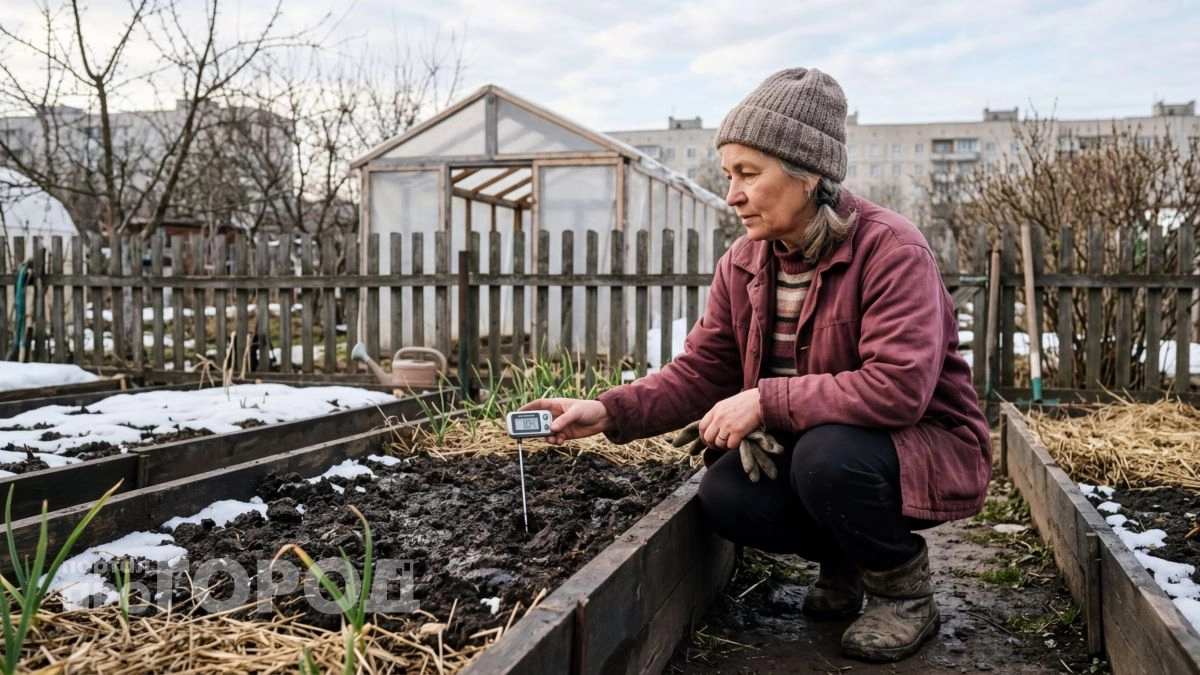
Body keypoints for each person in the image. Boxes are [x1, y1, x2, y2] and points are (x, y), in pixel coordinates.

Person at [519, 67, 992, 663]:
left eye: (749, 173)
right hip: (823, 449)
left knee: (827, 458)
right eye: (729, 175)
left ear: (808, 174)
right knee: (724, 494)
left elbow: (898, 388)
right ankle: (844, 558)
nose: (732, 194)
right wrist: (608, 411)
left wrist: (765, 401)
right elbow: (701, 371)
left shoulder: (891, 250)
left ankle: (903, 590)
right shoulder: (744, 262)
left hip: (920, 445)